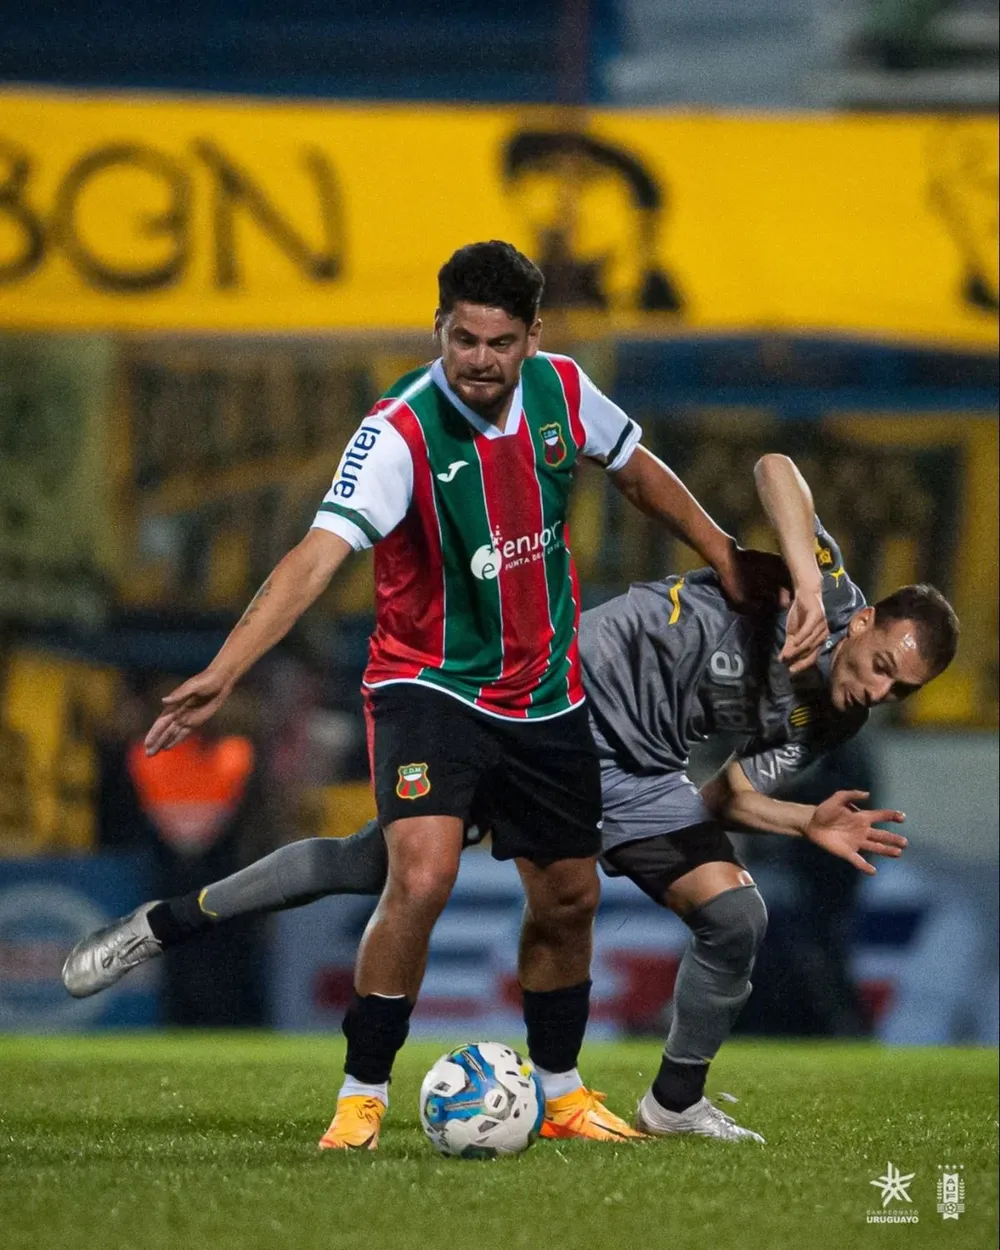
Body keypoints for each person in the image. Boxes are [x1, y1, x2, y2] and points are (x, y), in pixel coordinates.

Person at [68, 241, 796, 1151]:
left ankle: (564, 1096)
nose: (480, 360)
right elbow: (314, 558)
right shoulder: (400, 430)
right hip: (428, 687)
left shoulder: (564, 390)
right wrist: (227, 666)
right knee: (421, 874)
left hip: (545, 697)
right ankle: (361, 1098)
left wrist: (723, 549)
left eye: (499, 342)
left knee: (562, 894)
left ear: (531, 336)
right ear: (438, 329)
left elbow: (635, 466)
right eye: (463, 339)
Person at [65, 451, 960, 1143]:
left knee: (737, 920)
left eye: (899, 692)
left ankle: (673, 1105)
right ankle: (164, 924)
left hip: (641, 770)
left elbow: (722, 796)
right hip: (557, 700)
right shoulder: (827, 591)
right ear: (870, 619)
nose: (879, 692)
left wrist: (807, 818)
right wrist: (804, 577)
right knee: (368, 865)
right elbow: (776, 472)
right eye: (882, 665)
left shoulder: (833, 718)